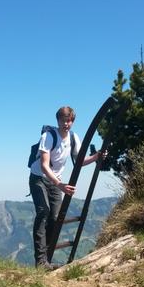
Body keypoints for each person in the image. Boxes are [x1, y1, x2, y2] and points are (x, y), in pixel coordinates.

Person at [29, 106, 104, 270]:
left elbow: (79, 161)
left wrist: (97, 156)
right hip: (39, 179)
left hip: (56, 182)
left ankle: (46, 259)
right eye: (63, 120)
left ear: (73, 121)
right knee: (44, 212)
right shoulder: (48, 136)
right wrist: (60, 185)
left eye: (69, 120)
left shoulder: (72, 137)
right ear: (58, 120)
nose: (66, 124)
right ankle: (40, 262)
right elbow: (43, 166)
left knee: (55, 218)